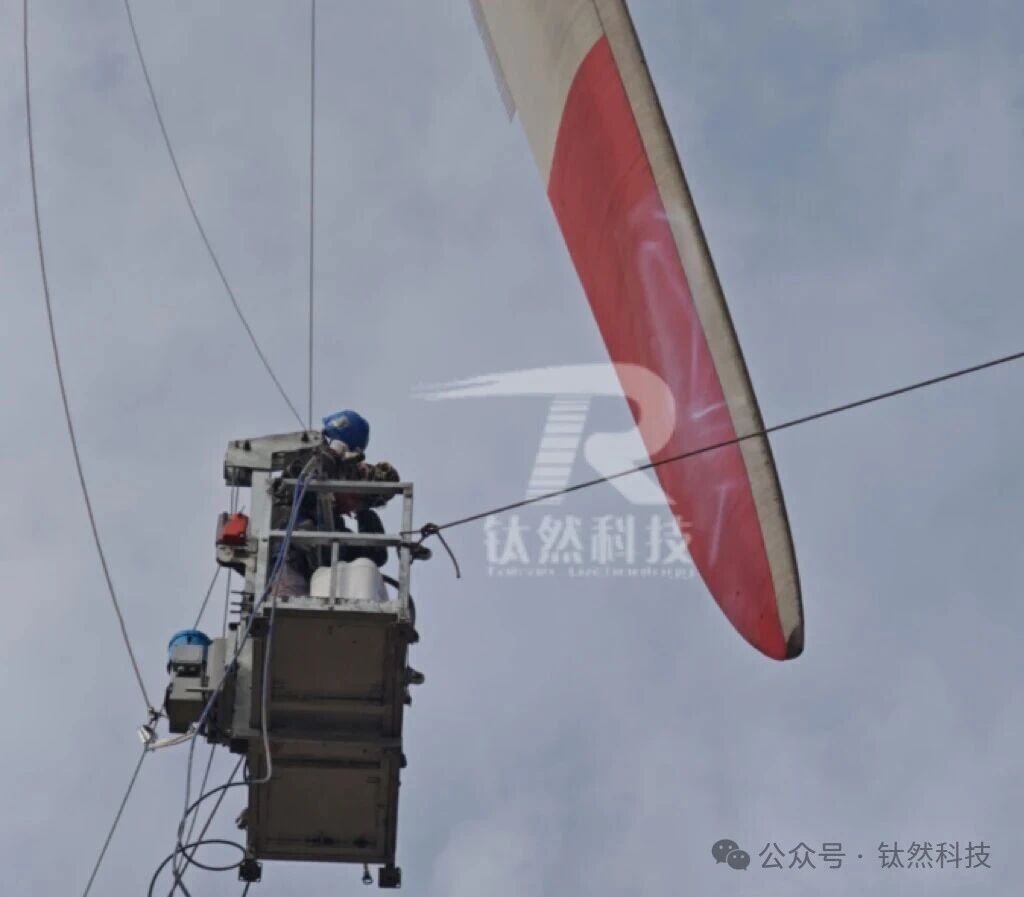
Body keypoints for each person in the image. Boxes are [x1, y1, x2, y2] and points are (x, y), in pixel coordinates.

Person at [270, 409, 400, 596]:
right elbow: (303, 475)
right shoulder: (302, 486)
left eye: (360, 504)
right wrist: (331, 454)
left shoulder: (332, 523)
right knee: (287, 601)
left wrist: (367, 517)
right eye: (356, 499)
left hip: (310, 577)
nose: (352, 508)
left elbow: (374, 555)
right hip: (285, 563)